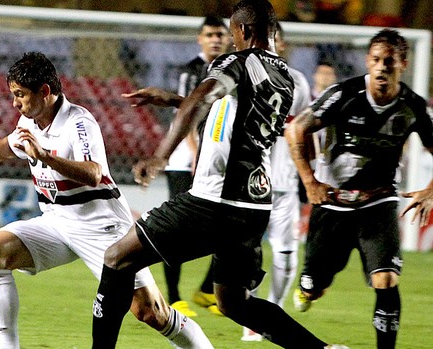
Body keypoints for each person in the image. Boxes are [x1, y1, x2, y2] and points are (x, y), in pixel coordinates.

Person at [91, 1, 347, 348]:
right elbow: (232, 113)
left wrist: (160, 156)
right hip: (254, 206)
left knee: (117, 257)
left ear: (242, 31)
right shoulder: (286, 78)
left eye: (231, 33)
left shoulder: (237, 62)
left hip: (214, 201)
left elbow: (205, 98)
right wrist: (174, 99)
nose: (230, 40)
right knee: (233, 302)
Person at [0, 52, 213, 349]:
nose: (15, 103)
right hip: (57, 222)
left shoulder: (79, 122)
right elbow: (9, 146)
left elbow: (94, 173)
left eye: (20, 95)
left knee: (150, 312)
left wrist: (46, 157)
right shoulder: (31, 120)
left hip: (101, 226)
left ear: (45, 92)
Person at [286, 28, 433, 349]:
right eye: (376, 60)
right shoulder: (344, 95)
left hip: (378, 202)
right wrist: (310, 181)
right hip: (333, 203)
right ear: (368, 61)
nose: (382, 67)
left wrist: (430, 190)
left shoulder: (413, 106)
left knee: (386, 279)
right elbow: (296, 129)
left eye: (390, 62)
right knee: (314, 286)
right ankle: (308, 288)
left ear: (403, 65)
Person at [240, 21, 312, 342]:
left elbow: (307, 134)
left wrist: (310, 174)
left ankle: (274, 310)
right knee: (243, 254)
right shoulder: (242, 76)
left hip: (283, 183)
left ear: (281, 44)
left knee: (284, 252)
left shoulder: (299, 83)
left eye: (275, 40)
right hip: (247, 183)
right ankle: (249, 314)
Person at [162, 14, 230, 318]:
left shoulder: (230, 68)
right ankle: (174, 297)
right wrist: (194, 153)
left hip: (215, 159)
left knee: (227, 226)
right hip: (186, 161)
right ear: (200, 39)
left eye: (220, 34)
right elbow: (187, 113)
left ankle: (205, 291)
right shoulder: (193, 71)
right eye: (210, 34)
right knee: (178, 230)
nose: (215, 39)